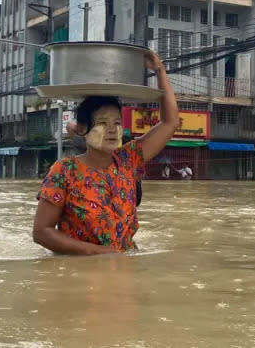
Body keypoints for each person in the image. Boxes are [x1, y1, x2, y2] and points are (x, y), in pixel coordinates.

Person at [33, 50, 179, 255]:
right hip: (81, 272)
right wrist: (97, 253)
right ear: (83, 129)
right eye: (102, 123)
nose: (112, 130)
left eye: (117, 123)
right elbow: (41, 232)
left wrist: (160, 71)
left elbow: (170, 122)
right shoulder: (64, 171)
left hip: (124, 267)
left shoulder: (129, 160)